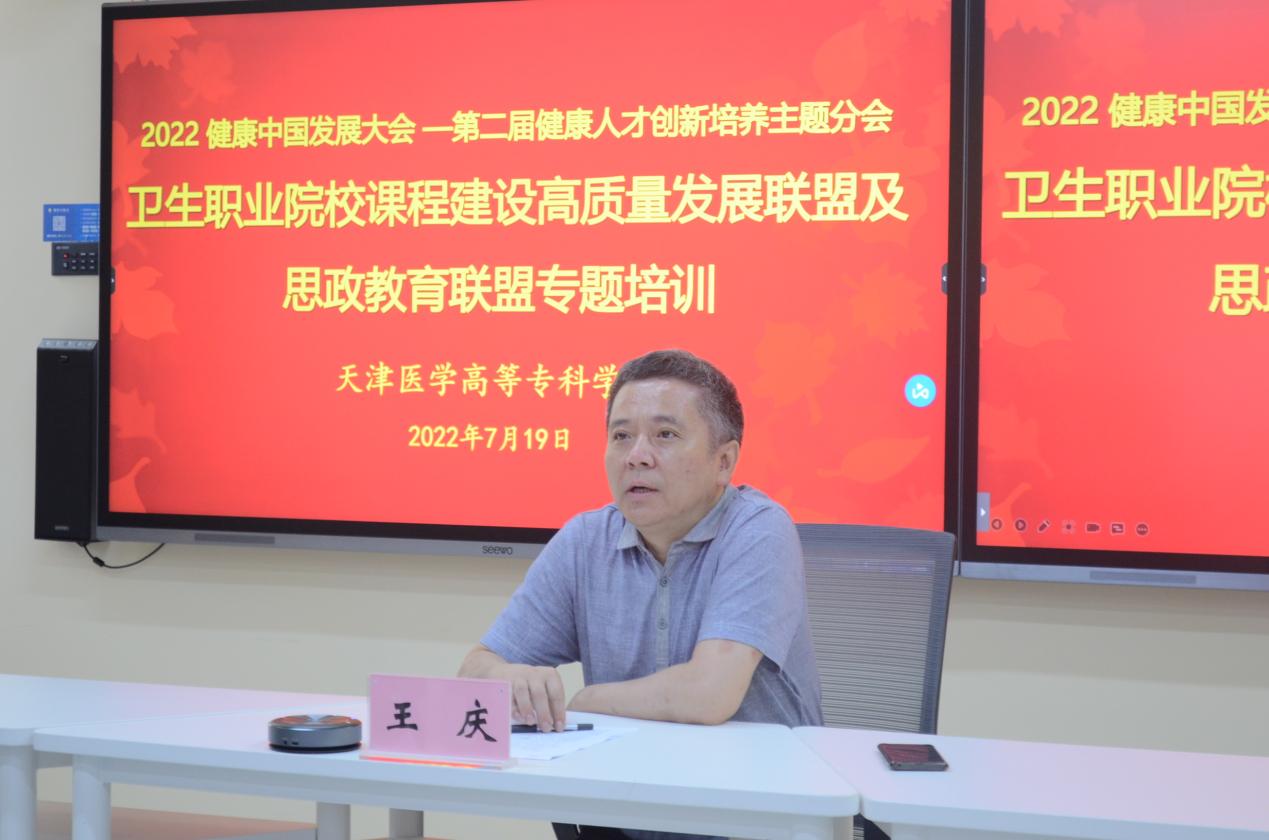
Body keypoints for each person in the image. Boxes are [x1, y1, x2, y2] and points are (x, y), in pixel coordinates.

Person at [459, 349, 822, 840]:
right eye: (621, 436)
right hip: (627, 815)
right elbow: (475, 669)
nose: (637, 455)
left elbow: (709, 694)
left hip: (753, 817)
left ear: (724, 461)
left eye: (665, 435)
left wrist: (587, 700)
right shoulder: (585, 540)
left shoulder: (759, 529)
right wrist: (510, 678)